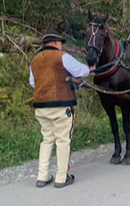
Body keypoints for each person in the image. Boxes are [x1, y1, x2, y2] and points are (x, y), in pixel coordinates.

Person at [30, 30, 90, 188]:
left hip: (41, 108)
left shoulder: (35, 60)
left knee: (47, 140)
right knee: (63, 140)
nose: (61, 45)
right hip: (61, 106)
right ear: (56, 43)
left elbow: (33, 82)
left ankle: (42, 176)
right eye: (60, 43)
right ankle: (61, 177)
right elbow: (82, 71)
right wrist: (90, 68)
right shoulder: (63, 57)